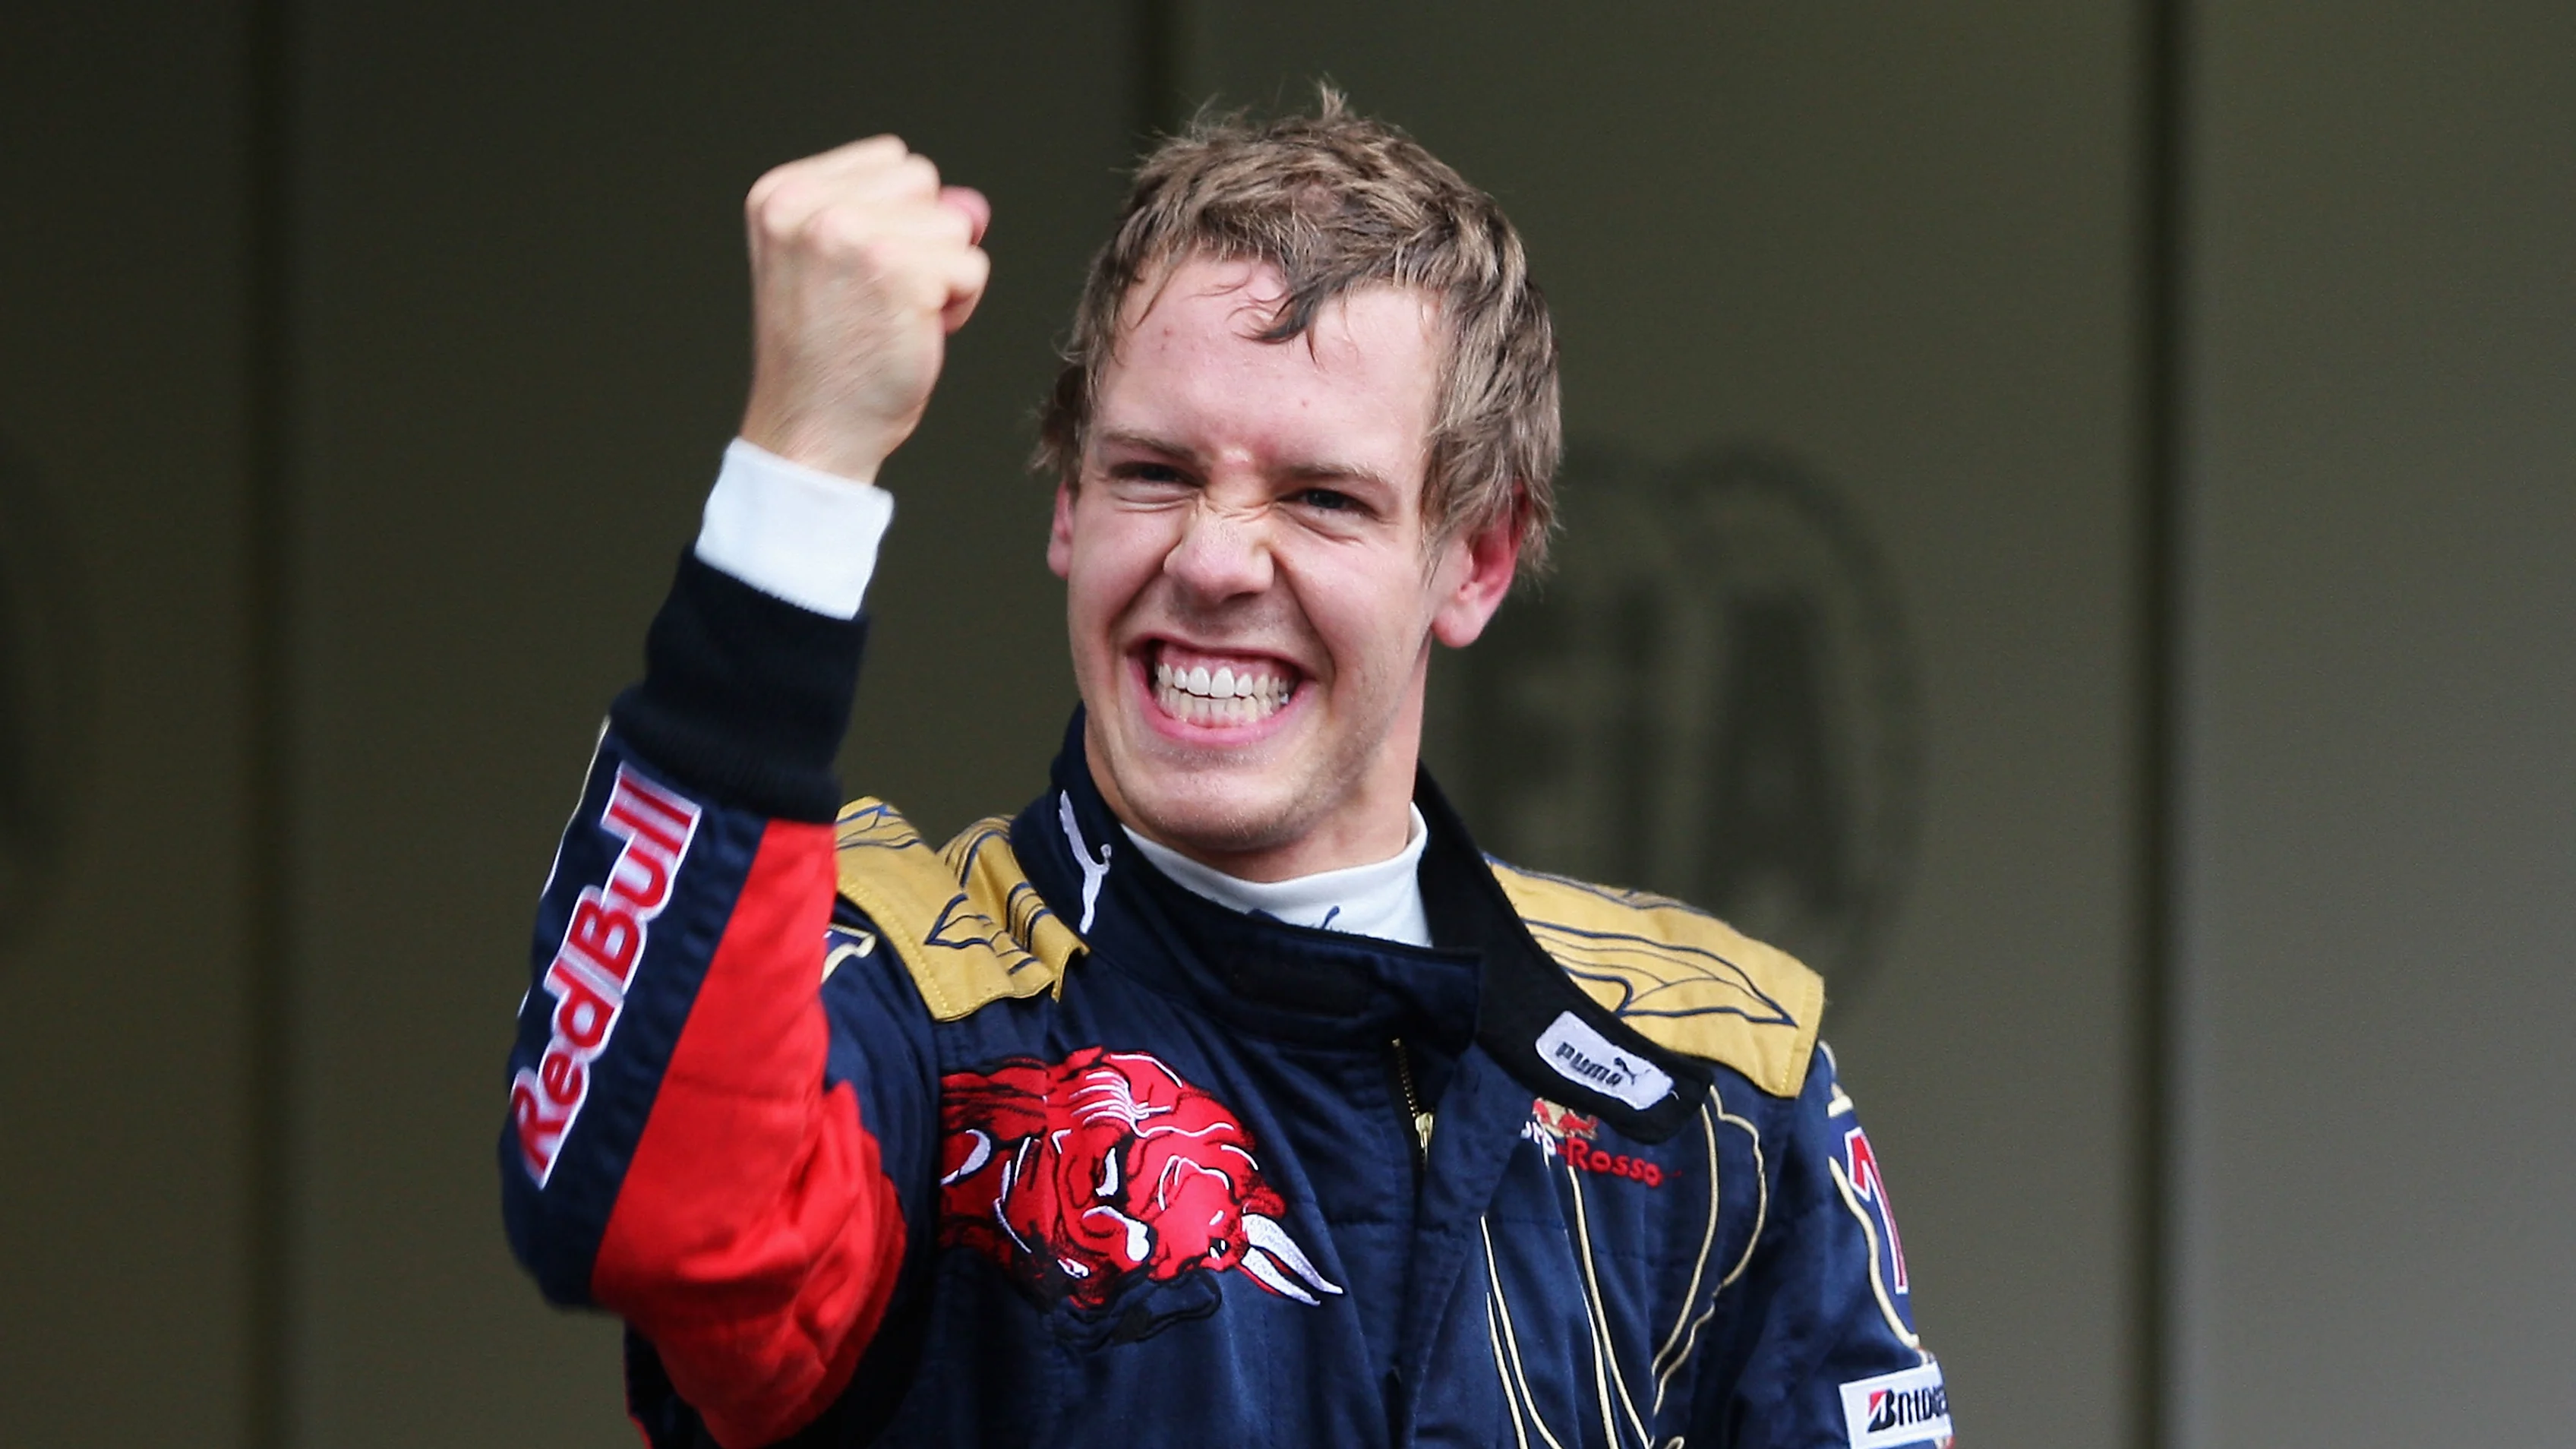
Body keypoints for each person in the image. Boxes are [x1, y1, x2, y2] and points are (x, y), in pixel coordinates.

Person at [502, 95, 1952, 1449]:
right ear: (1066, 505)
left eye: (1322, 499)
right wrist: (804, 459)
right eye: (1153, 474)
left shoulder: (1708, 1073)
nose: (1210, 560)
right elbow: (648, 1214)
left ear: (1479, 559)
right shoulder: (893, 989)